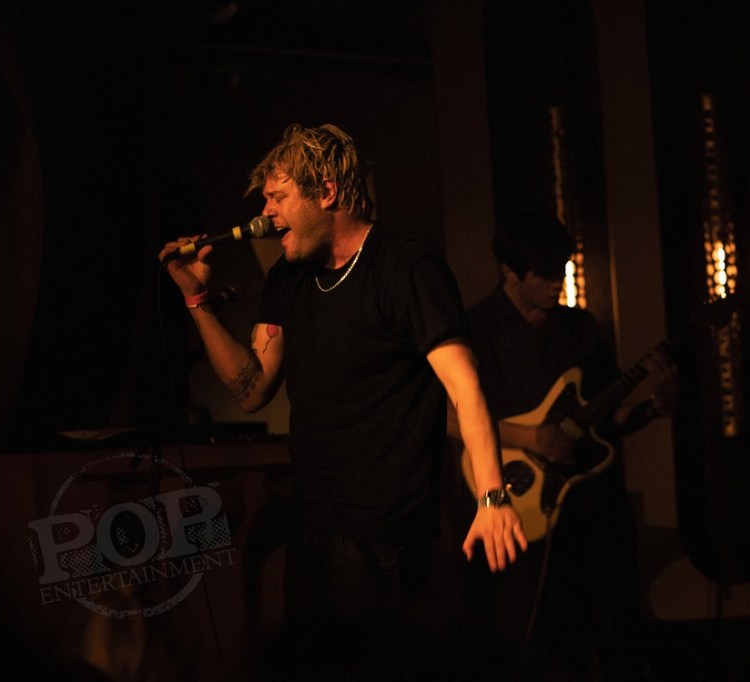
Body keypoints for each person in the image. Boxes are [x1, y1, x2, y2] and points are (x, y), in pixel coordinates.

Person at [158, 123, 527, 674]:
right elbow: (252, 388)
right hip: (311, 523)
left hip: (383, 533)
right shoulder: (289, 277)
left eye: (279, 196)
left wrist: (492, 497)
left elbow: (464, 385)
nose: (266, 212)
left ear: (327, 192)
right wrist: (197, 302)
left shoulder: (405, 269)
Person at [448, 212, 678, 680]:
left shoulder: (579, 328)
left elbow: (603, 420)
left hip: (582, 509)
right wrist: (531, 437)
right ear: (510, 271)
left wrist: (655, 407)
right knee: (520, 634)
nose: (558, 282)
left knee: (600, 624)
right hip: (511, 503)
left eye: (562, 270)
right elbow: (448, 418)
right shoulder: (474, 329)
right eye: (545, 273)